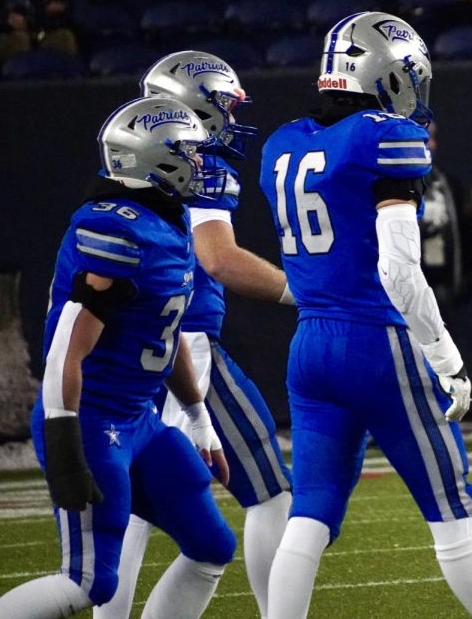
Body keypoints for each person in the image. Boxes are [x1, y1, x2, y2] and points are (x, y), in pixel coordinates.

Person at [259, 12, 472, 619]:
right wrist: (447, 360)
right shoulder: (384, 137)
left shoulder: (284, 141)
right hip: (377, 343)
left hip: (309, 345)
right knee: (453, 511)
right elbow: (399, 273)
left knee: (312, 509)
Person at [0, 96, 236, 619]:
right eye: (187, 152)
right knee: (88, 583)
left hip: (139, 421)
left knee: (211, 545)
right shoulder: (115, 228)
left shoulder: (166, 220)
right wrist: (63, 441)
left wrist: (197, 417)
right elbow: (66, 348)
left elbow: (163, 336)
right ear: (152, 157)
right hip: (89, 420)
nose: (199, 162)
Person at [95, 51, 295, 619]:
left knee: (134, 507)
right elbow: (219, 258)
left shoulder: (131, 154)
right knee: (271, 493)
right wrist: (300, 292)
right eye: (226, 105)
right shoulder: (194, 162)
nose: (232, 118)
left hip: (134, 344)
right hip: (187, 343)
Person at [421, 120, 472, 319]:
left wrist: (468, 275)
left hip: (443, 281)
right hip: (408, 288)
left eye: (433, 138)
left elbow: (465, 232)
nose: (431, 145)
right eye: (424, 138)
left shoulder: (449, 185)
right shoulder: (388, 186)